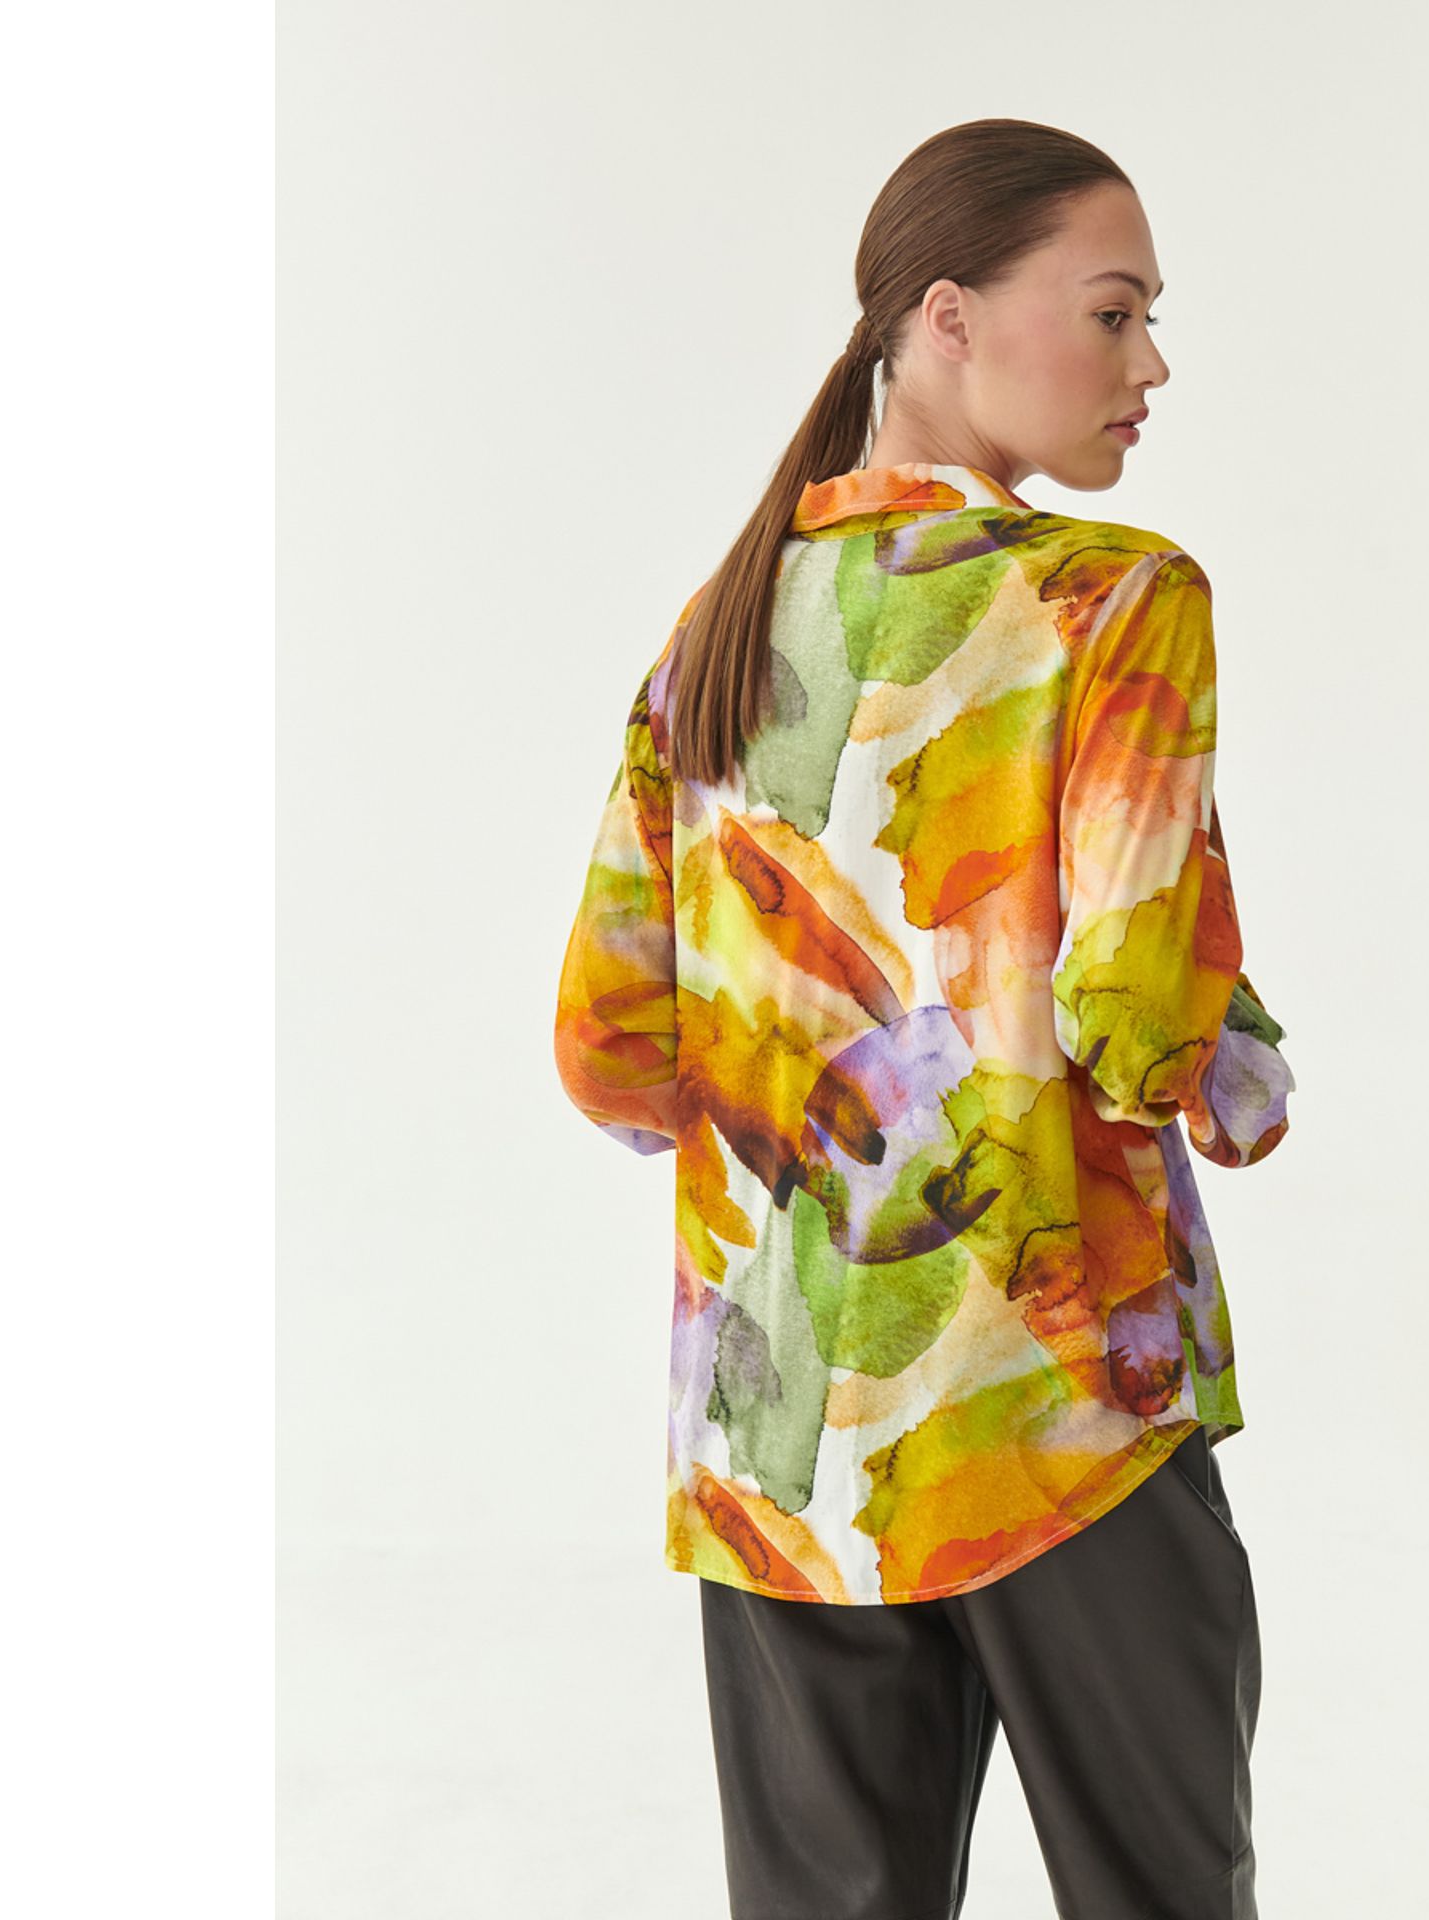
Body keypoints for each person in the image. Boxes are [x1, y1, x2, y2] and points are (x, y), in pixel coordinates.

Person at [554, 116, 1295, 1920]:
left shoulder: (718, 628)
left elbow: (610, 1049)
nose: (1151, 364)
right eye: (1114, 314)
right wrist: (1243, 1062)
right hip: (1061, 1413)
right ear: (948, 317)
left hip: (780, 1442)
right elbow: (1142, 1032)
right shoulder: (1115, 600)